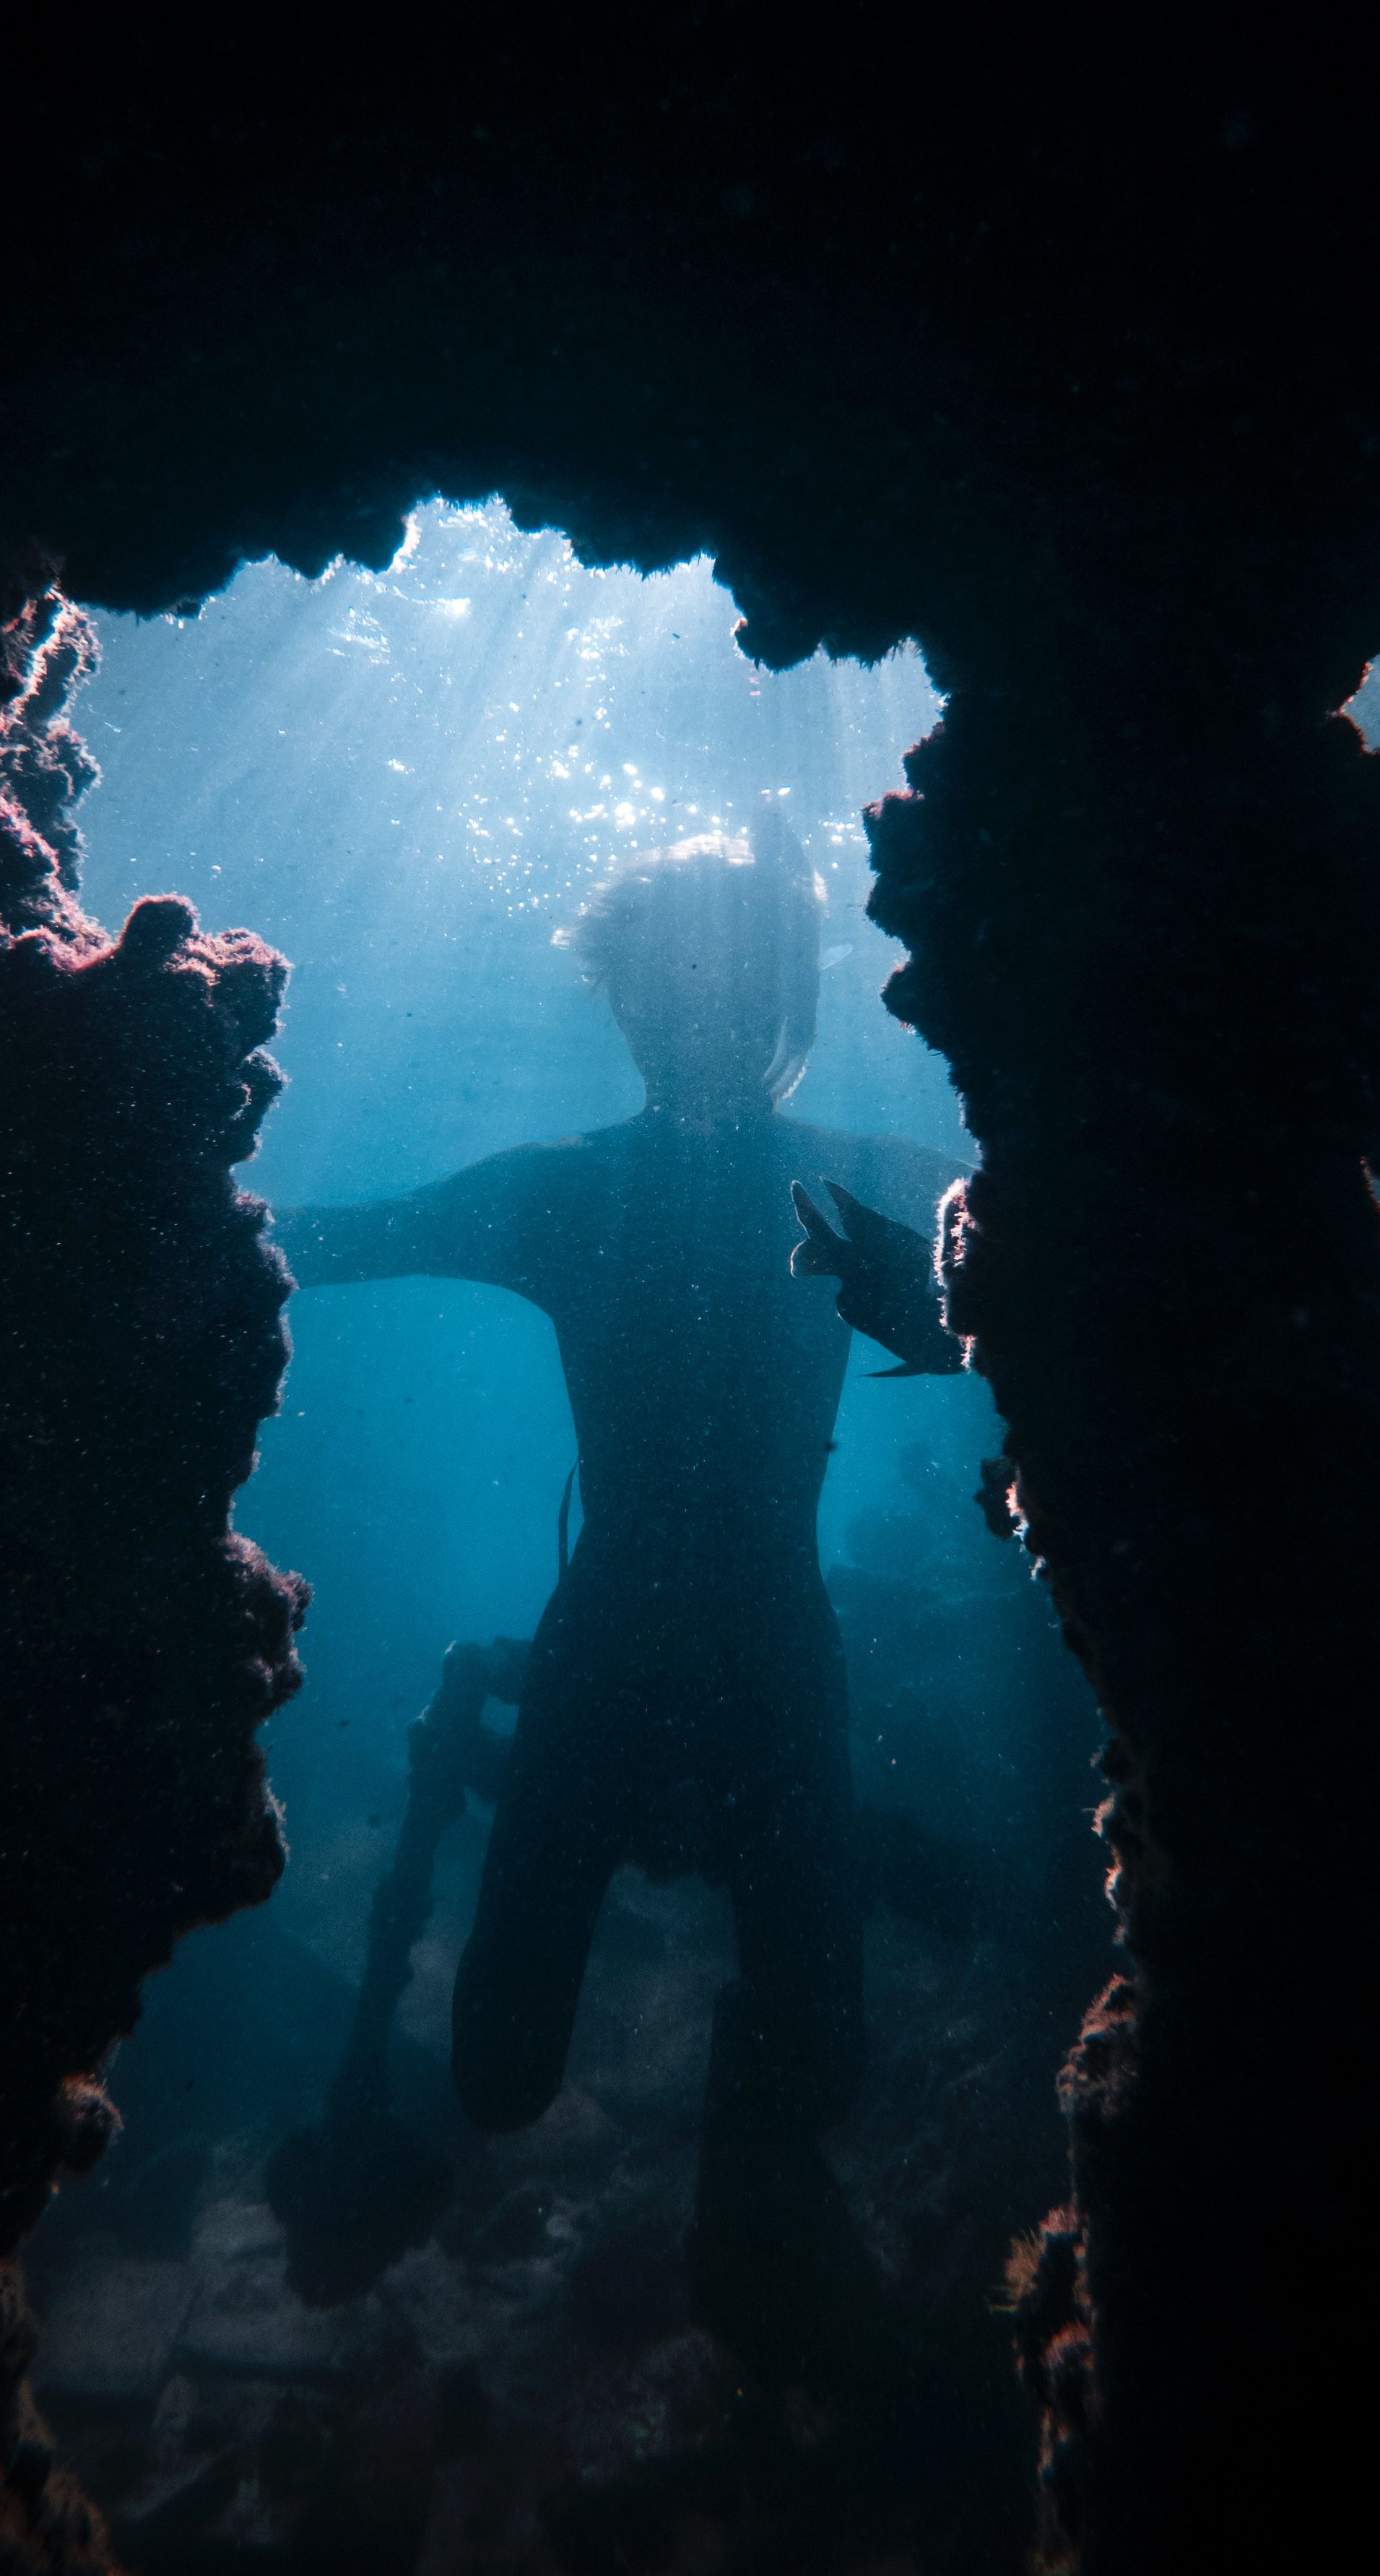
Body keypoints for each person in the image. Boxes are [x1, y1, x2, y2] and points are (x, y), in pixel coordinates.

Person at [275, 822, 966, 2353]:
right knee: (511, 2083)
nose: (709, 1021)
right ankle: (735, 1831)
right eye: (684, 991)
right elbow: (328, 1242)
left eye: (732, 992)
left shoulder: (620, 1191)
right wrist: (942, 1311)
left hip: (682, 1653)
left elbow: (325, 1242)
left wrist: (945, 1314)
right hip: (722, 1656)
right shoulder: (837, 1180)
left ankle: (689, 1825)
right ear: (637, 1006)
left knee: (609, 2078)